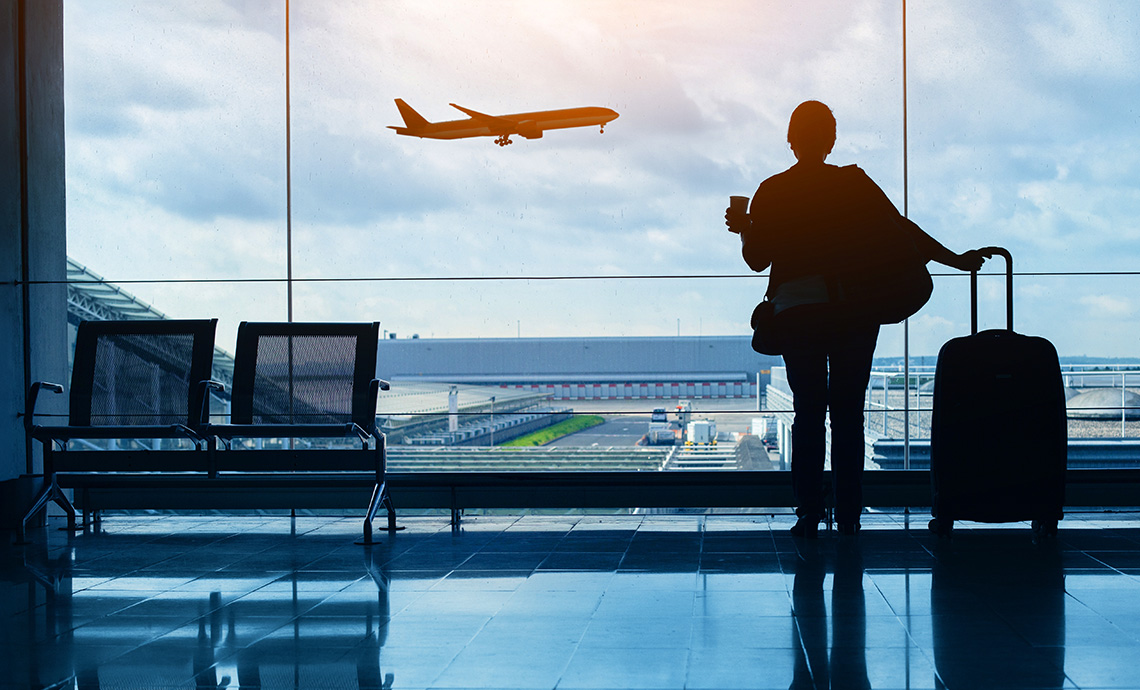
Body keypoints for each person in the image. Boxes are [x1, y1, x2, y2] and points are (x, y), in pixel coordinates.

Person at [725, 100, 985, 538]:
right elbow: (901, 229)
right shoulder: (854, 184)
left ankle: (808, 513)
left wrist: (746, 226)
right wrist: (954, 260)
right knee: (849, 414)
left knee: (808, 413)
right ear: (831, 139)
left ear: (790, 140)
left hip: (797, 312)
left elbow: (755, 259)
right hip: (852, 312)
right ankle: (849, 515)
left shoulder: (771, 191)